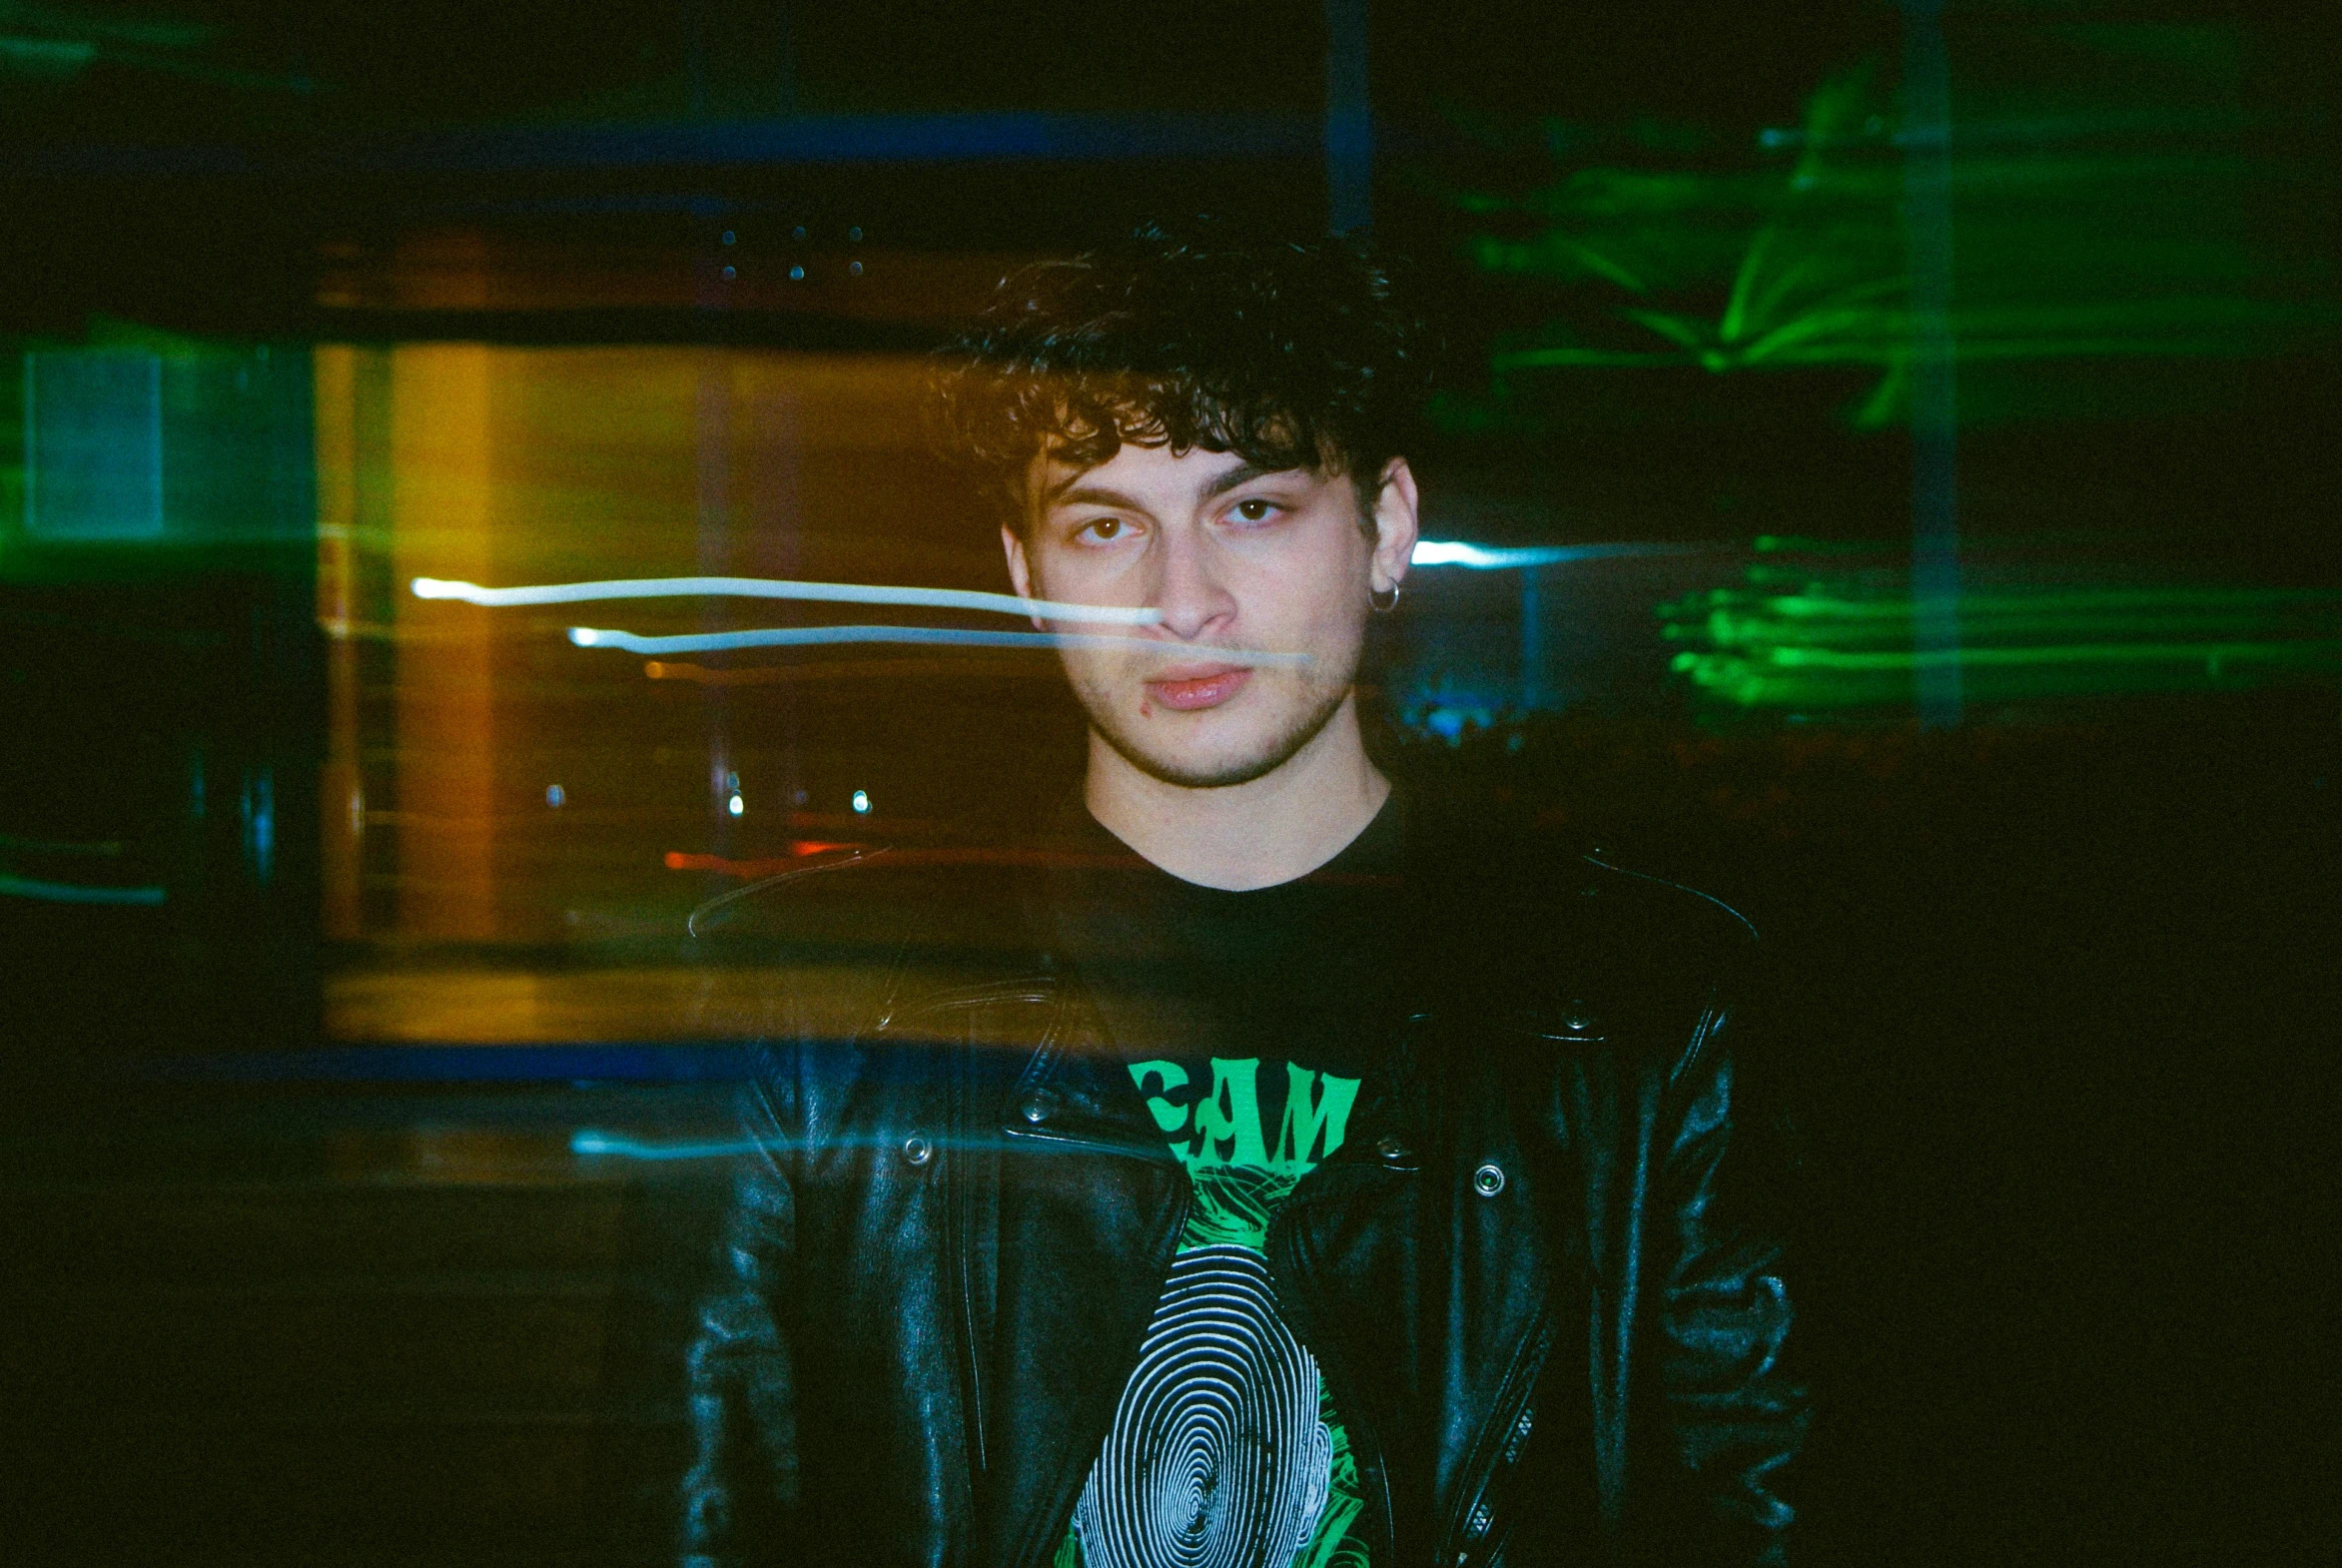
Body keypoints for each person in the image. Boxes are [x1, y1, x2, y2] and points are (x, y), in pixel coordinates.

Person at [677, 226, 1806, 1568]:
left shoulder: (1639, 1006)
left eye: (1251, 508)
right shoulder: (814, 1000)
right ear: (1026, 573)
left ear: (1388, 525)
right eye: (1106, 526)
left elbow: (1760, 1506)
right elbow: (705, 1506)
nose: (1184, 602)